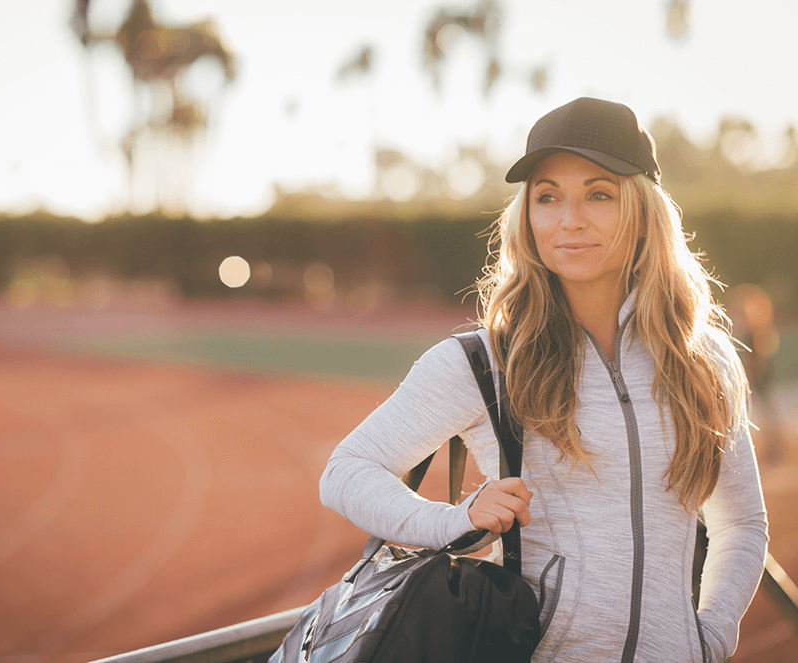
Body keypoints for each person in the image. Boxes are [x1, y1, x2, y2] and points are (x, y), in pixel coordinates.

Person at [319, 97, 768, 663]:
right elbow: (345, 470)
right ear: (526, 216)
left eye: (598, 194)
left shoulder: (704, 359)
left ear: (643, 209)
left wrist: (710, 638)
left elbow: (742, 523)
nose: (569, 219)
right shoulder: (485, 362)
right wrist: (453, 521)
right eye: (547, 196)